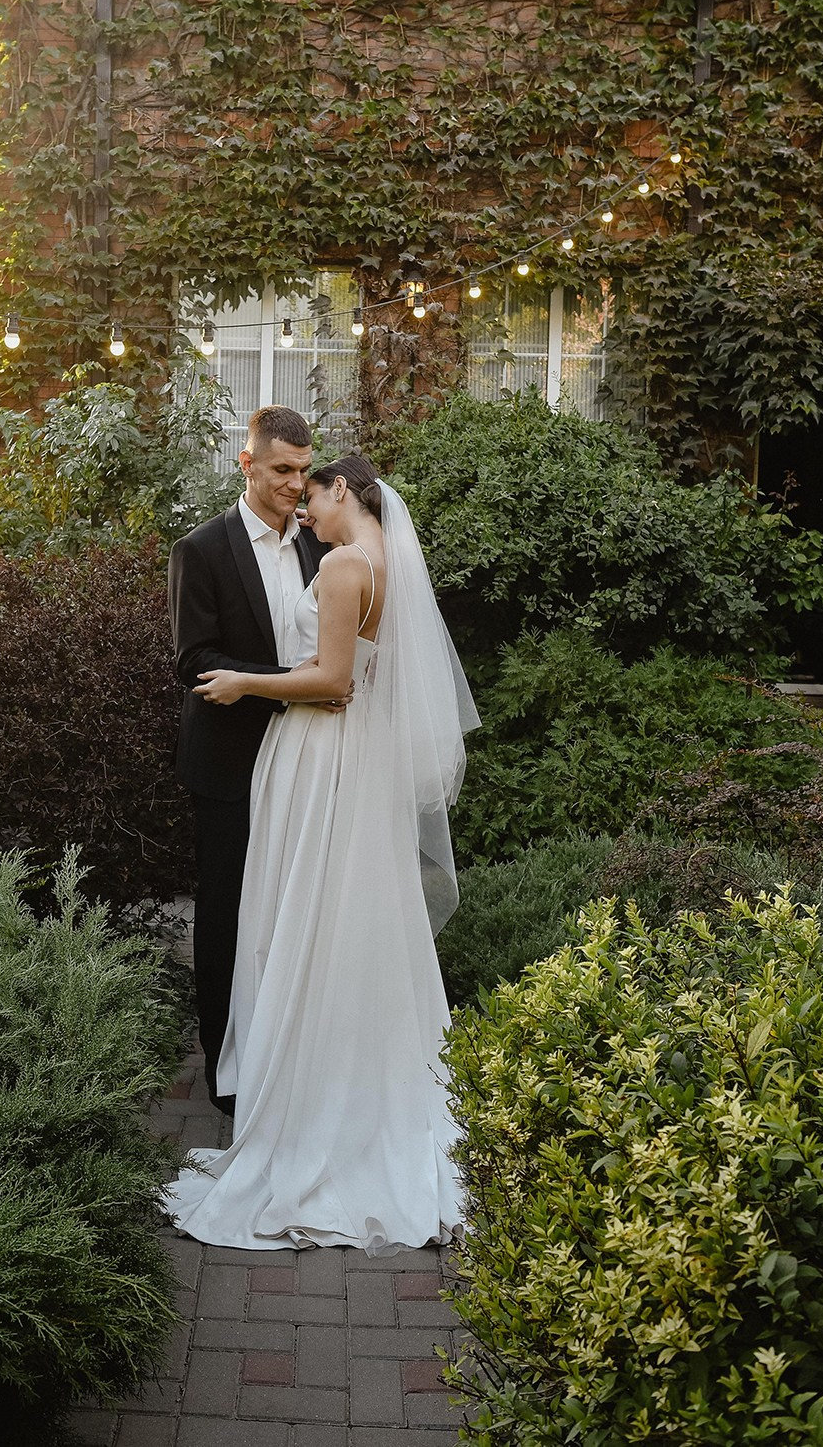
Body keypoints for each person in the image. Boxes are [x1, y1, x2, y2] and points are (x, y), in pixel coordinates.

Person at [164, 454, 480, 1255]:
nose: (303, 511)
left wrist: (244, 683)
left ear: (341, 489)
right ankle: (354, 1090)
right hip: (355, 758)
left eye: (311, 494)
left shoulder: (342, 565)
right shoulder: (386, 563)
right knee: (349, 920)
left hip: (321, 753)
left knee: (306, 916)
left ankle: (310, 1111)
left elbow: (333, 681)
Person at [167, 406, 329, 1114]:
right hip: (231, 762)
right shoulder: (201, 549)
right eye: (282, 470)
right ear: (247, 463)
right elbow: (194, 661)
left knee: (296, 908)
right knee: (227, 915)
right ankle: (226, 1076)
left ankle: (288, 1056)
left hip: (312, 758)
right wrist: (294, 686)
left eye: (303, 471)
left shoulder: (320, 543)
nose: (295, 484)